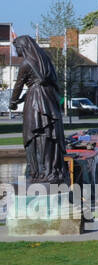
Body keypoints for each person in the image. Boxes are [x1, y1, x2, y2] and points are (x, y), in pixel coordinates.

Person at [8, 35, 69, 184]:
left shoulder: (26, 64)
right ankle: (52, 170)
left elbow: (18, 86)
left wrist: (12, 102)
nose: (16, 52)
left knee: (33, 134)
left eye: (17, 49)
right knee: (49, 133)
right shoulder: (46, 61)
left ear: (23, 47)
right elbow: (54, 81)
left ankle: (39, 172)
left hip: (35, 101)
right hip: (49, 99)